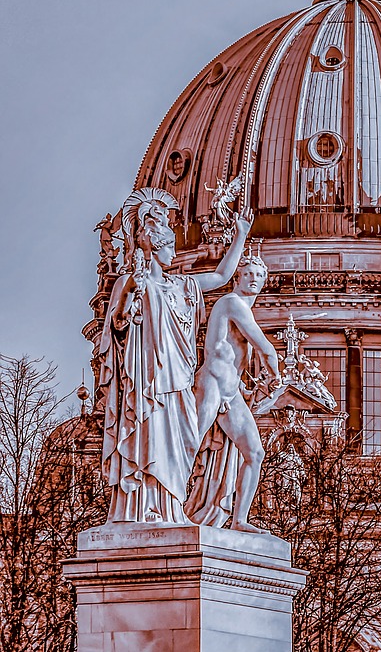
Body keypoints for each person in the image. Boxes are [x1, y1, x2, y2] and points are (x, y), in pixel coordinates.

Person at [98, 188, 252, 524]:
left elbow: (222, 277)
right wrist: (130, 292)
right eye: (169, 247)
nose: (174, 253)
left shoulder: (181, 286)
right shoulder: (130, 281)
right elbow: (118, 324)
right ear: (154, 247)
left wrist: (240, 234)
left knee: (174, 446)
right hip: (147, 381)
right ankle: (142, 508)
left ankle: (167, 508)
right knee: (148, 440)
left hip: (177, 379)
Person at [184, 250, 278, 532]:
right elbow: (265, 346)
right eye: (247, 273)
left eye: (259, 275)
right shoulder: (231, 302)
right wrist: (275, 373)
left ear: (264, 281)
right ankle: (165, 502)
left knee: (255, 453)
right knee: (191, 441)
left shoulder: (242, 308)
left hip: (231, 390)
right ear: (237, 277)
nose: (253, 278)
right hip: (212, 380)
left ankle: (239, 520)